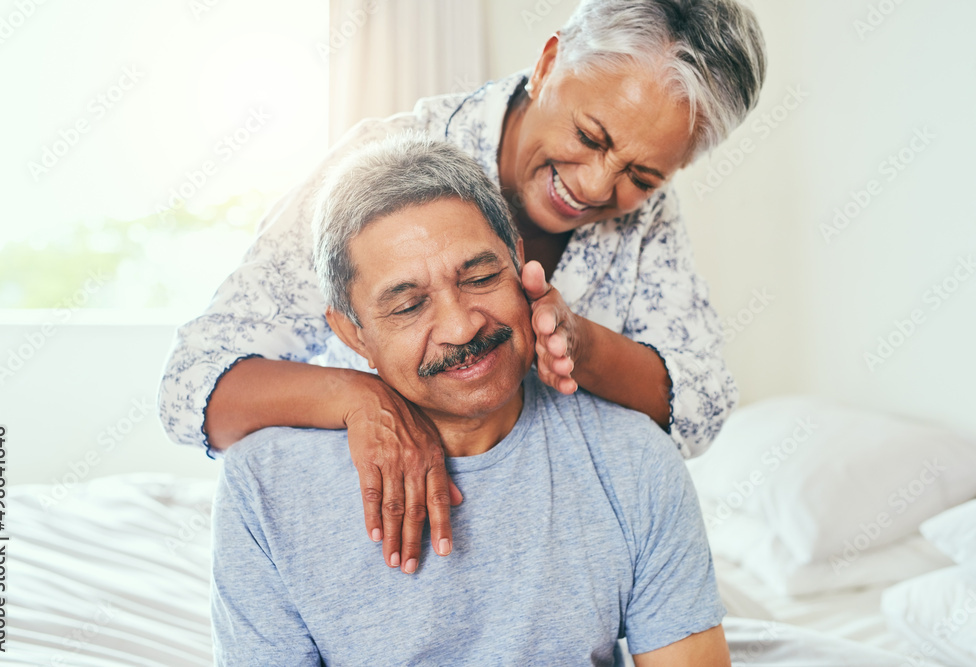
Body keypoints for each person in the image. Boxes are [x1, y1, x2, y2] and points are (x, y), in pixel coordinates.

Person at [161, 0, 767, 573]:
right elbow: (192, 385)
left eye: (642, 174)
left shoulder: (648, 221)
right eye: (589, 136)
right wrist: (363, 400)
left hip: (556, 561)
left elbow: (700, 407)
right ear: (549, 63)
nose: (596, 186)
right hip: (383, 553)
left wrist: (581, 347)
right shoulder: (374, 171)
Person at [211, 135, 729, 666]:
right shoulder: (265, 486)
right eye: (409, 305)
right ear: (352, 334)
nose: (461, 326)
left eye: (481, 278)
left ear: (520, 263)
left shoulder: (634, 460)